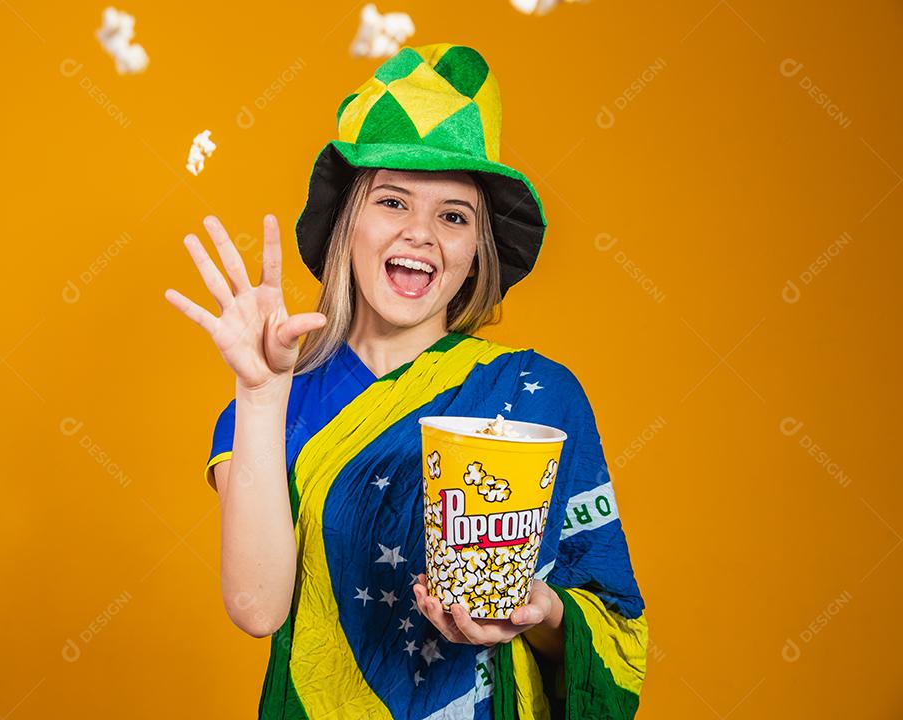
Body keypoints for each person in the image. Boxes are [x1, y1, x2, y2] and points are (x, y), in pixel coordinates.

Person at [165, 43, 649, 719]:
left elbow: (611, 622)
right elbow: (256, 608)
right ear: (347, 225)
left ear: (476, 251)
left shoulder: (536, 392)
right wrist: (259, 394)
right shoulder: (274, 400)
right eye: (392, 202)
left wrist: (541, 610)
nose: (421, 233)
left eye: (453, 215)